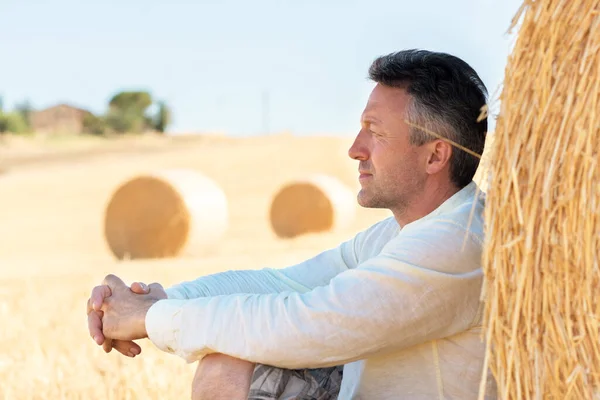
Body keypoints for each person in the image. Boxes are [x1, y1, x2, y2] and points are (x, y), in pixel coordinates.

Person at [86, 48, 497, 399]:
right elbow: (287, 283)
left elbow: (307, 323)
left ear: (434, 156)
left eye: (375, 132)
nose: (355, 150)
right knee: (227, 361)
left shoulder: (456, 244)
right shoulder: (402, 232)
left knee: (234, 356)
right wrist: (162, 299)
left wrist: (150, 319)